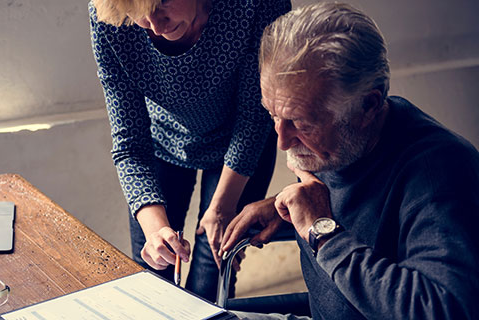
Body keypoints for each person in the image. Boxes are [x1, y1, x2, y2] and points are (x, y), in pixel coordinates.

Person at [220, 2, 479, 319]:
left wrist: (322, 230)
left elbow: (445, 311)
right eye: (273, 115)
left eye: (301, 123)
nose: (282, 141)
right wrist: (285, 208)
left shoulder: (441, 176)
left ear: (368, 107)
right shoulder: (341, 146)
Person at [89, 0, 291, 301]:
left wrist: (222, 207)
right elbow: (129, 142)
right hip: (162, 141)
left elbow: (253, 116)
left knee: (210, 283)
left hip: (242, 146)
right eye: (140, 15)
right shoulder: (112, 18)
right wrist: (156, 230)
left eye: (162, 3)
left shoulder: (255, 4)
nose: (155, 26)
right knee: (153, 275)